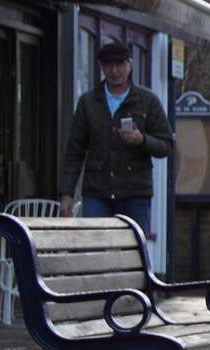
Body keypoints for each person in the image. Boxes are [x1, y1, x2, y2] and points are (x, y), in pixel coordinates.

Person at [60, 42, 173, 227]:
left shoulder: (147, 101)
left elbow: (166, 145)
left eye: (119, 64)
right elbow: (75, 151)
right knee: (94, 248)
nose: (114, 71)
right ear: (101, 66)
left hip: (135, 193)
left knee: (132, 250)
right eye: (108, 65)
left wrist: (142, 140)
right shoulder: (88, 102)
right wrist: (67, 194)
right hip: (97, 192)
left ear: (130, 64)